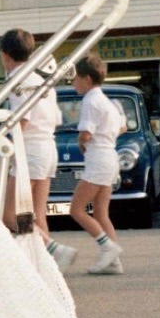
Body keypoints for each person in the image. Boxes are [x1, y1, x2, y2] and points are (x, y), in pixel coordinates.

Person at [0, 28, 75, 272]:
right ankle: (46, 267)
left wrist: (3, 140)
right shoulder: (41, 79)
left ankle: (53, 249)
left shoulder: (18, 80)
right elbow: (55, 118)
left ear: (4, 55)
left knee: (8, 214)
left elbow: (23, 118)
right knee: (37, 215)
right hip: (47, 146)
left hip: (29, 149)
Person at [67, 53, 127, 275]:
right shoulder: (107, 102)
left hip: (97, 159)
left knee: (76, 209)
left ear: (87, 79)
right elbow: (121, 127)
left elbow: (85, 133)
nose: (74, 82)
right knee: (101, 212)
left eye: (76, 78)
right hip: (110, 157)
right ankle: (114, 262)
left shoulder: (90, 101)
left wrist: (81, 144)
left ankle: (107, 246)